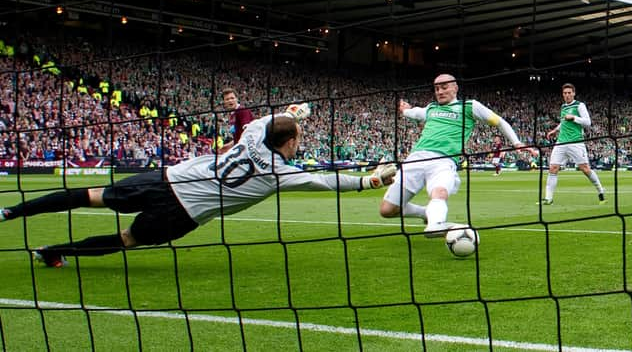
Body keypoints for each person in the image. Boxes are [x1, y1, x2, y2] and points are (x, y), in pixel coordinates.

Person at [0, 103, 396, 268]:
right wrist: (373, 179)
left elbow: (268, 121)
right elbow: (329, 182)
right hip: (184, 212)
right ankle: (51, 252)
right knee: (125, 240)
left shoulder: (253, 134)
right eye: (298, 140)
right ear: (289, 143)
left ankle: (10, 211)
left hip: (166, 179)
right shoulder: (283, 172)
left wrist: (292, 112)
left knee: (88, 196)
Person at [379, 74, 538, 237]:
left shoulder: (469, 106)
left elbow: (499, 121)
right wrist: (405, 109)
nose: (440, 91)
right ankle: (425, 213)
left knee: (439, 192)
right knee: (387, 210)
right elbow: (413, 112)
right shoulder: (431, 109)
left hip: (443, 161)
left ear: (455, 88)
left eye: (444, 87)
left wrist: (517, 143)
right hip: (415, 160)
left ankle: (435, 225)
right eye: (437, 88)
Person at [541, 83, 605, 205]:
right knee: (553, 168)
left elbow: (588, 122)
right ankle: (548, 198)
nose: (567, 95)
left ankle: (600, 190)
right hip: (561, 142)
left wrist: (574, 117)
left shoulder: (580, 105)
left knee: (585, 169)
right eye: (565, 93)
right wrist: (555, 130)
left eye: (569, 93)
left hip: (576, 142)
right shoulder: (563, 107)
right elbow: (564, 122)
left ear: (574, 93)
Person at [218, 88, 254, 154]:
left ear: (236, 99)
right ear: (224, 102)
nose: (230, 101)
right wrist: (228, 146)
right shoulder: (232, 114)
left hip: (247, 151)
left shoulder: (242, 111)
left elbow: (248, 133)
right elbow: (238, 136)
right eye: (227, 99)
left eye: (232, 98)